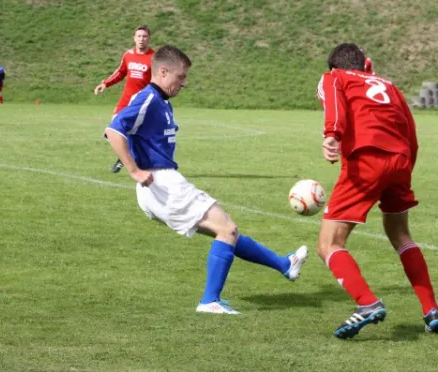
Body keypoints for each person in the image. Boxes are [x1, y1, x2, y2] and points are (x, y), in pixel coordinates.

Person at [104, 45, 308, 314]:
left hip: (160, 185)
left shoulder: (161, 101)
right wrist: (134, 170)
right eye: (181, 76)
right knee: (228, 230)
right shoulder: (148, 98)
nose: (184, 83)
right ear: (163, 72)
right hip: (161, 183)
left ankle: (285, 265)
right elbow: (113, 130)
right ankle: (210, 301)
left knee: (225, 231)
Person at [316, 43, 438, 339]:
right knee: (400, 234)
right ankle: (431, 309)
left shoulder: (335, 77)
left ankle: (367, 303)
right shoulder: (389, 85)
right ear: (367, 64)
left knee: (329, 245)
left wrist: (331, 136)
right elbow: (410, 131)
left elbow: (334, 102)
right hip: (400, 160)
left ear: (335, 67)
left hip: (367, 159)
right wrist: (404, 169)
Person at [95, 25, 154, 174]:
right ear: (134, 38)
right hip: (126, 99)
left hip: (142, 101)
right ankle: (125, 156)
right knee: (111, 131)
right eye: (139, 36)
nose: (141, 39)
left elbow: (159, 79)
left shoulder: (154, 57)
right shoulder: (128, 55)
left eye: (144, 36)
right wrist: (105, 83)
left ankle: (127, 160)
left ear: (149, 38)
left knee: (137, 133)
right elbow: (120, 72)